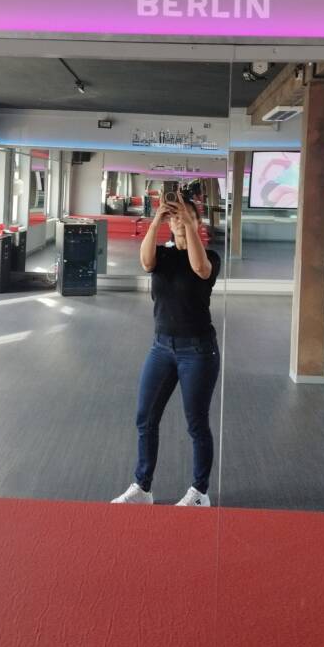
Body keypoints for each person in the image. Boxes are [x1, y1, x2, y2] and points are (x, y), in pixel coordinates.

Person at [112, 189, 221, 507]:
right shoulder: (163, 254)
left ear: (198, 221)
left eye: (185, 216)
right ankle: (142, 487)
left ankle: (199, 492)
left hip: (198, 351)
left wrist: (188, 224)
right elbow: (146, 262)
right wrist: (157, 219)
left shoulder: (210, 257)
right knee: (145, 418)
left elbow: (200, 269)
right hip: (161, 348)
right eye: (173, 216)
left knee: (196, 423)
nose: (178, 220)